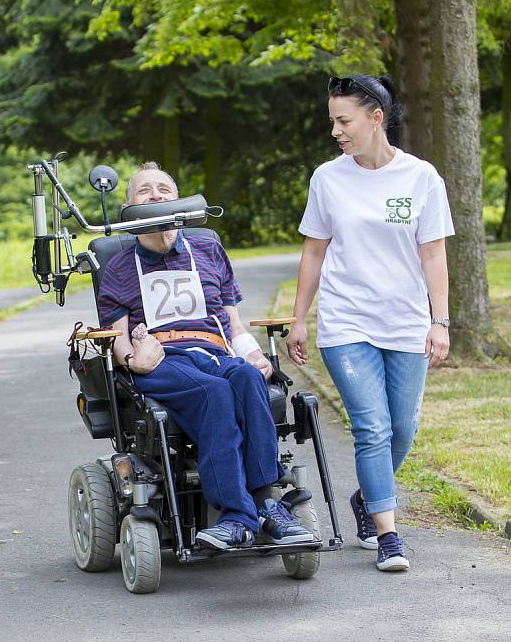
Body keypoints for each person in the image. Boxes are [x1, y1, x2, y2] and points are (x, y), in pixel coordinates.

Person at [97, 162, 313, 550]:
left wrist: (253, 355)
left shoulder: (208, 247)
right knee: (214, 392)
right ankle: (235, 515)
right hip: (161, 357)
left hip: (214, 347)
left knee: (248, 379)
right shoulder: (117, 267)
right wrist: (133, 361)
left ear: (180, 201)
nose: (156, 195)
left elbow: (233, 323)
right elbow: (118, 340)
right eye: (144, 190)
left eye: (164, 188)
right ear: (130, 209)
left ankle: (266, 504)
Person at [287, 74, 454, 572]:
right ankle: (389, 536)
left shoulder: (421, 177)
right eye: (332, 121)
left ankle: (367, 498)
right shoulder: (328, 178)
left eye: (344, 120)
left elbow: (434, 254)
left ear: (375, 117)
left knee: (402, 428)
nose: (336, 130)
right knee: (372, 427)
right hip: (346, 323)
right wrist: (299, 319)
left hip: (404, 321)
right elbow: (314, 251)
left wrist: (438, 320)